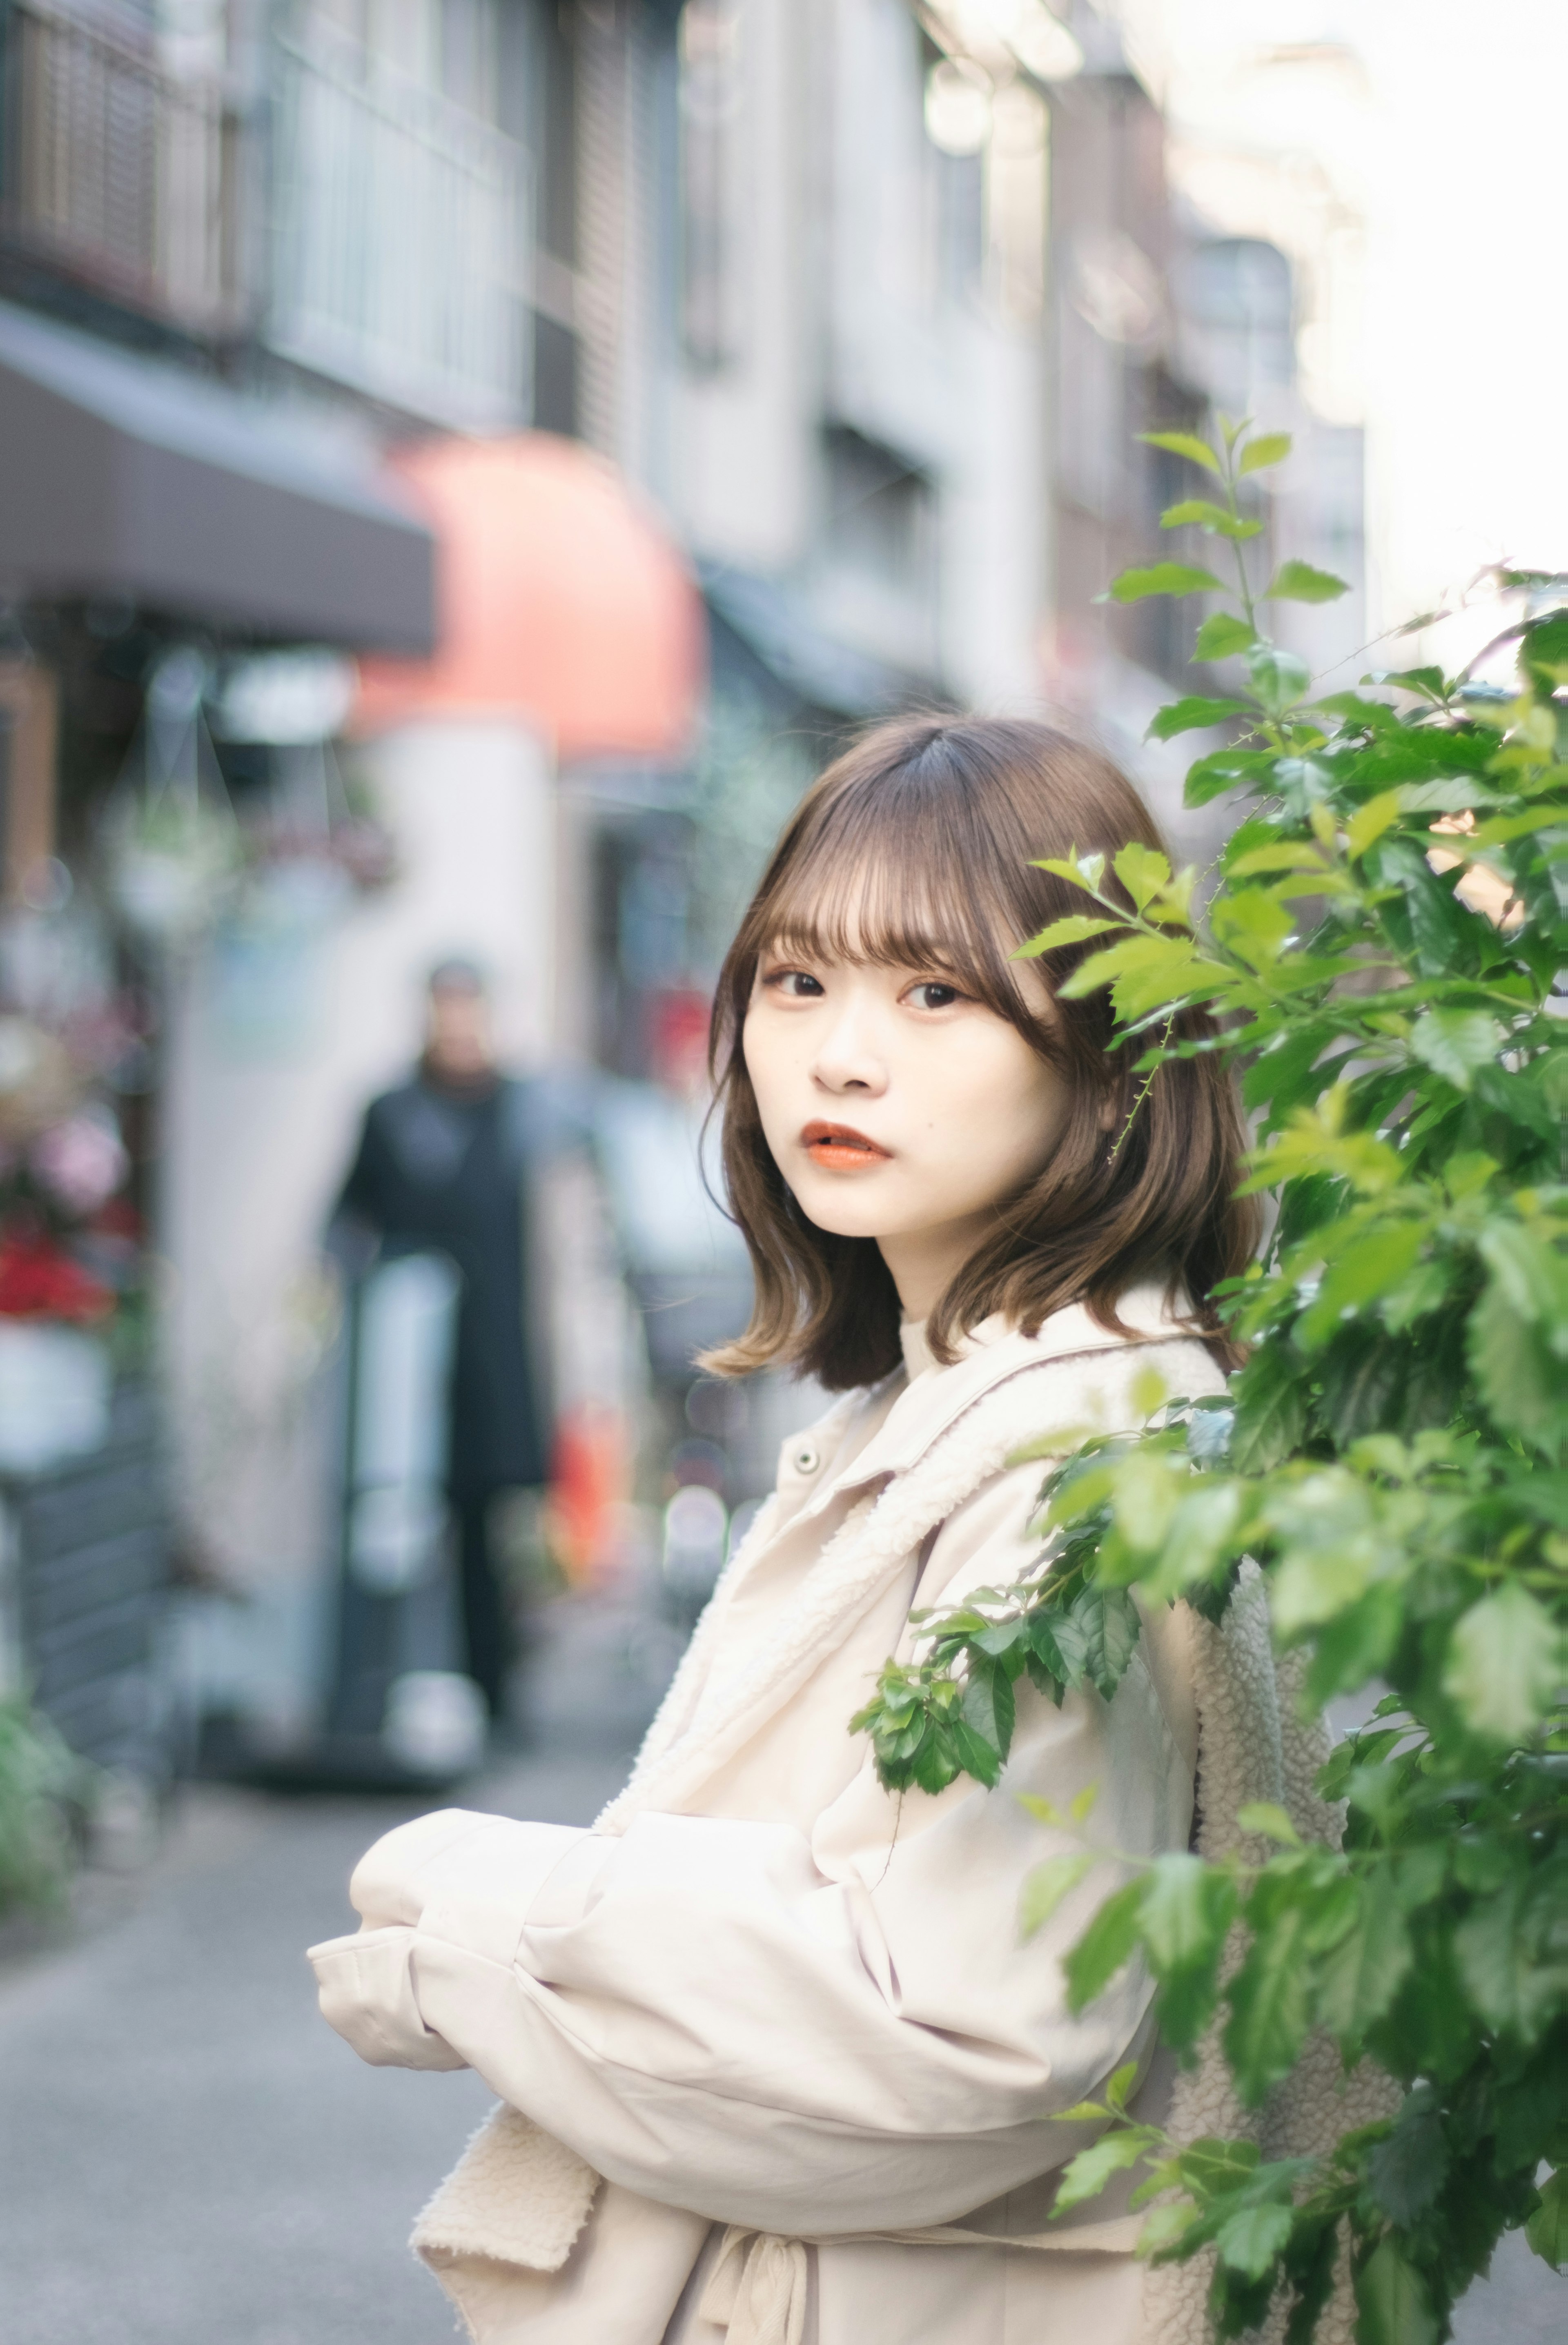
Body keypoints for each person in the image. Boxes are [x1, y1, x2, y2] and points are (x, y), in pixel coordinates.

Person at [307, 719, 1328, 2343]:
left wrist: (483, 1911)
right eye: (798, 983)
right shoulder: (964, 1405)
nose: (842, 1058)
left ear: (1111, 1044)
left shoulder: (1073, 1445)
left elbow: (967, 2037)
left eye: (935, 994)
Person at [332, 960, 549, 1721]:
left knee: (488, 1531)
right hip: (406, 1363)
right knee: (402, 1522)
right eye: (444, 1011)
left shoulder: (520, 1109)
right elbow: (346, 1222)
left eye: (468, 1011)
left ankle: (492, 1697)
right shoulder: (391, 1112)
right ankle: (388, 1695)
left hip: (491, 1352)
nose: (456, 1027)